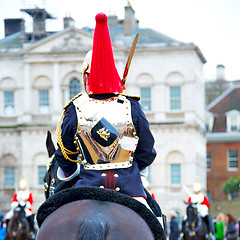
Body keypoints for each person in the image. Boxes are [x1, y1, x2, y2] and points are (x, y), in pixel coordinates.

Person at [55, 13, 158, 217]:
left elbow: (64, 155)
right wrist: (133, 165)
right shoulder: (132, 106)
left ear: (86, 76)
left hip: (86, 187)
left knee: (50, 215)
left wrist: (71, 171)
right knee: (157, 221)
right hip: (131, 189)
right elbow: (147, 151)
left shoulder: (75, 108)